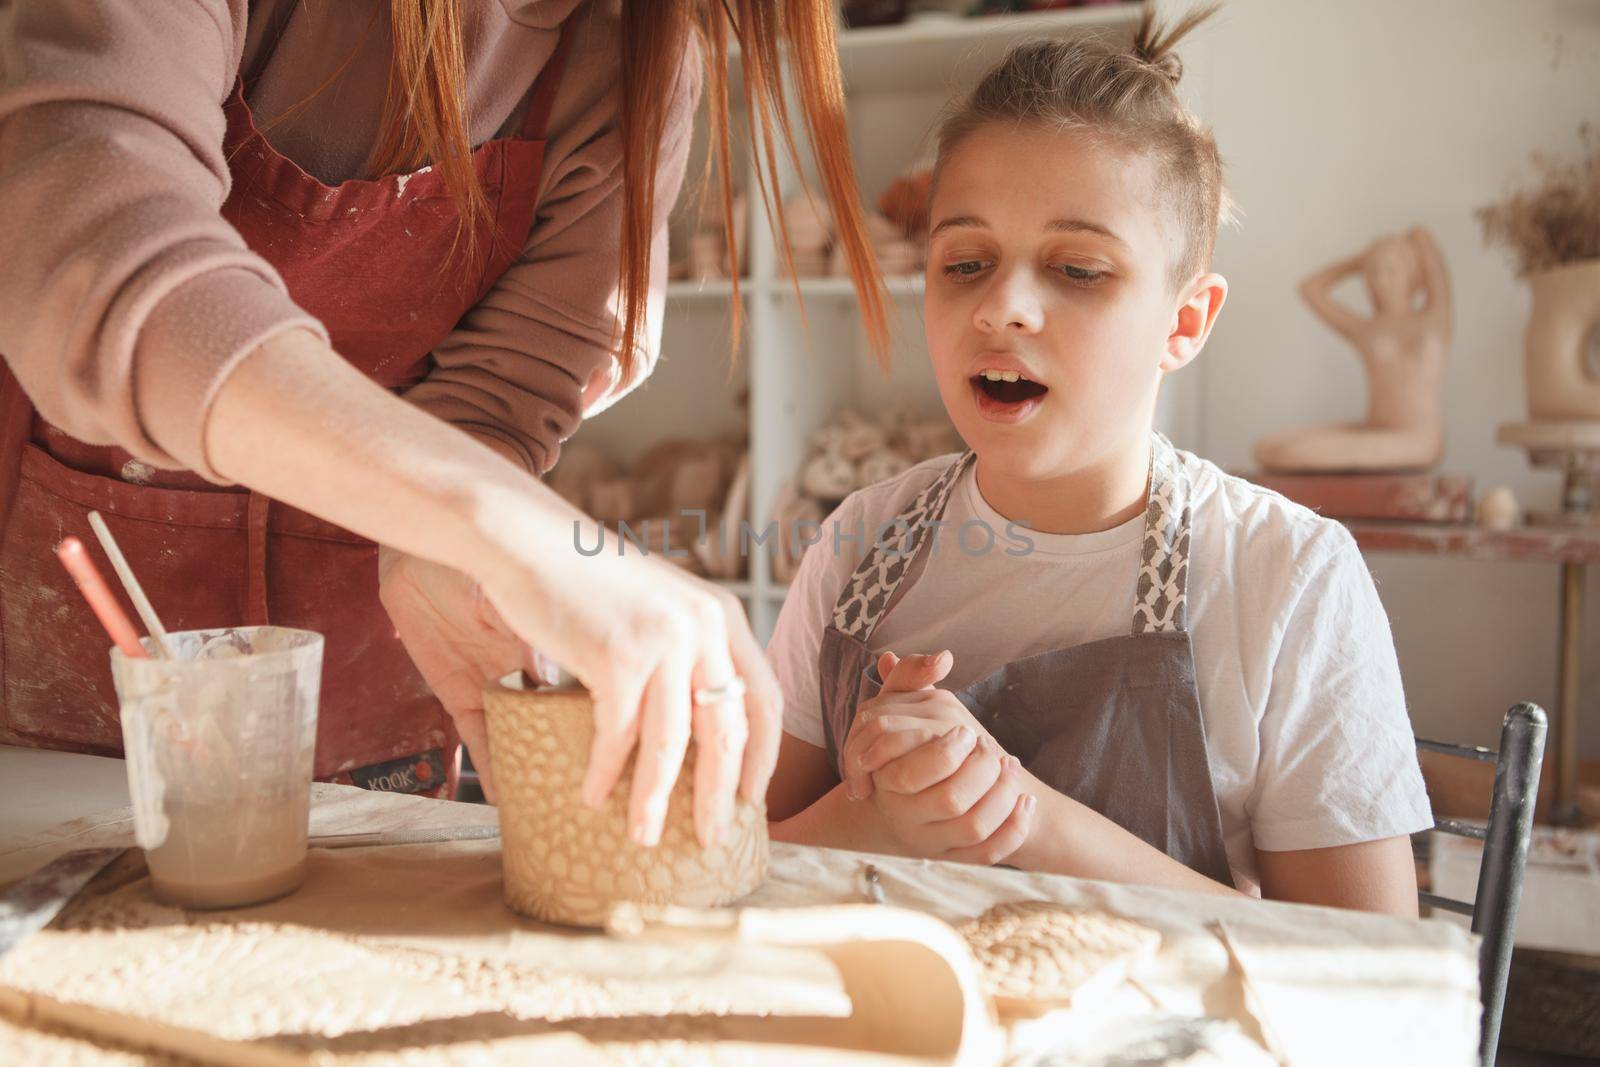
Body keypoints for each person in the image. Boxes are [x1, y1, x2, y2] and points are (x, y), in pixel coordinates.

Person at [0, 0, 888, 852]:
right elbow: (93, 251)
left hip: (379, 646)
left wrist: (443, 545)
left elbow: (500, 396)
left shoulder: (635, 50)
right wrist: (500, 524)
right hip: (76, 612)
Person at [764, 9, 1434, 913]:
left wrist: (1028, 820)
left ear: (1185, 320)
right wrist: (868, 817)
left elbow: (1366, 974)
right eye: (965, 261)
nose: (1004, 306)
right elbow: (729, 872)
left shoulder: (1288, 576)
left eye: (1077, 270)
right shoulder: (857, 546)